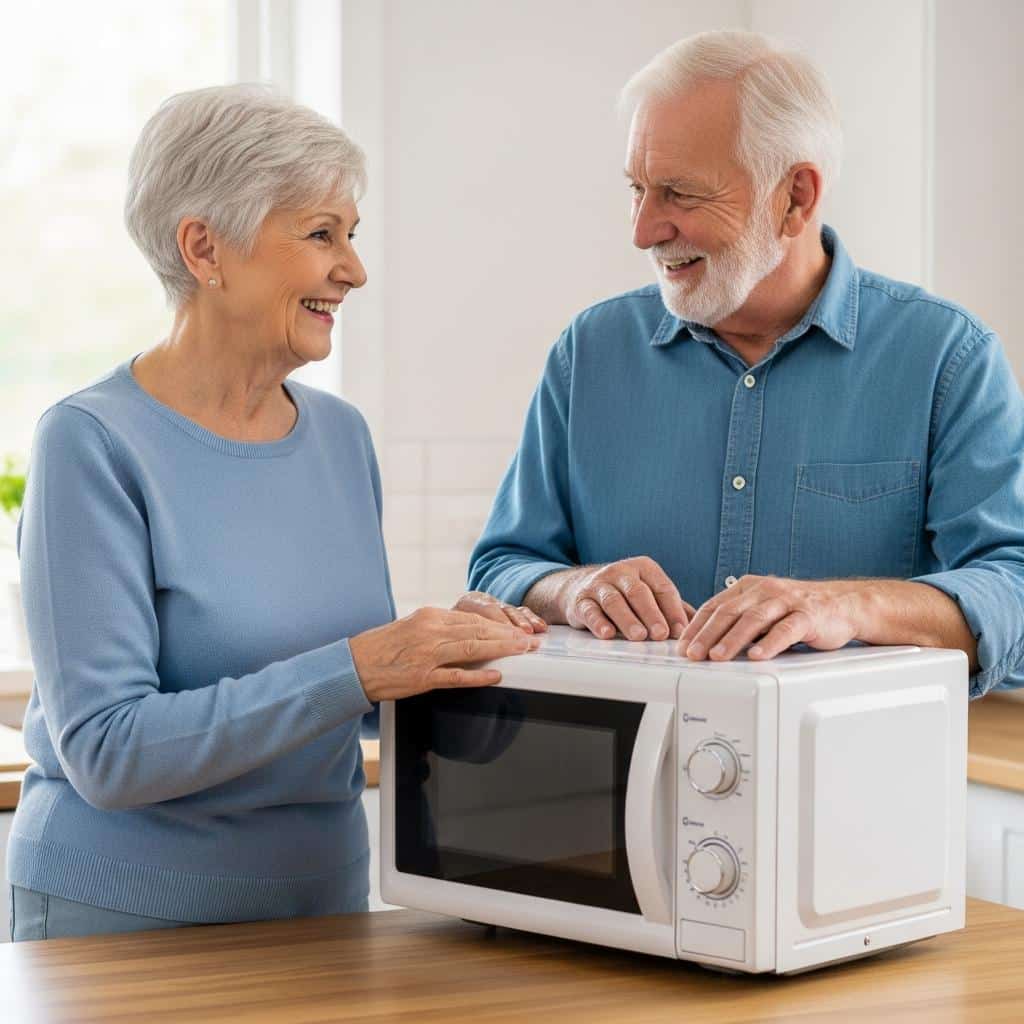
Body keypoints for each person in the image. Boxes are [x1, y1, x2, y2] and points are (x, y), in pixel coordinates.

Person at [7, 84, 546, 942]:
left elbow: (353, 699)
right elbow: (107, 750)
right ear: (203, 247)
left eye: (352, 236)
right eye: (321, 235)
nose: (354, 269)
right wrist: (363, 666)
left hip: (323, 912)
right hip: (121, 920)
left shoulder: (339, 436)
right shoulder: (92, 443)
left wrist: (468, 661)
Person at [469, 30, 1024, 699]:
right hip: (616, 796)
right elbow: (501, 566)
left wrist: (847, 607)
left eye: (678, 193)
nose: (643, 231)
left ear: (795, 198)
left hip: (856, 789)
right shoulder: (589, 353)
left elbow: (1012, 588)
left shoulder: (946, 360)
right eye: (637, 189)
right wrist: (569, 587)